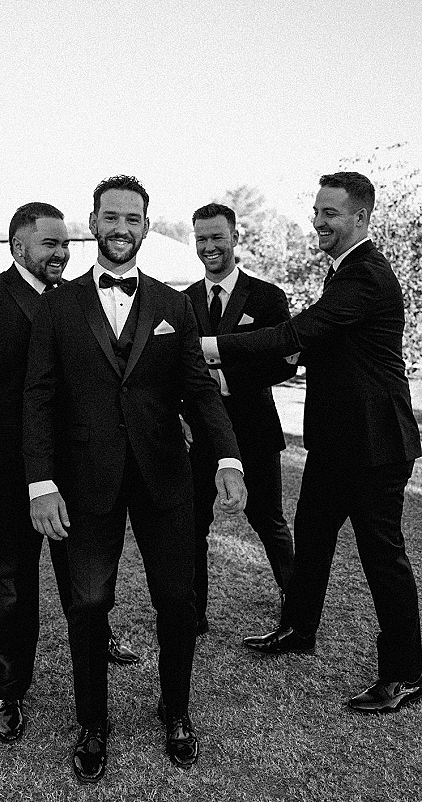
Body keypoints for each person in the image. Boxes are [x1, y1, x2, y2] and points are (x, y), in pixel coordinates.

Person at [23, 175, 247, 783]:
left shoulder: (174, 305)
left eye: (133, 219)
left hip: (165, 482)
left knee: (178, 600)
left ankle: (176, 710)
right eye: (110, 217)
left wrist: (228, 459)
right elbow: (38, 398)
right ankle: (92, 723)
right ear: (92, 224)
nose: (121, 228)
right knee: (89, 603)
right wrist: (41, 483)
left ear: (147, 227)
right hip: (84, 485)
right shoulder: (57, 306)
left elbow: (199, 393)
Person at [210, 172, 422, 714]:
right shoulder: (342, 273)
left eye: (330, 213)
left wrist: (206, 346)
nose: (318, 221)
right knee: (312, 535)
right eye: (317, 211)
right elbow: (320, 349)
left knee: (383, 556)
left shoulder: (365, 275)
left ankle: (406, 672)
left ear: (361, 218)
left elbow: (297, 334)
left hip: (376, 446)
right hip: (334, 443)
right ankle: (299, 629)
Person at [0, 202, 138, 744]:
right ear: (18, 245)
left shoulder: (81, 298)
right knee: (16, 581)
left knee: (87, 576)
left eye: (66, 244)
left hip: (81, 468)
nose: (62, 253)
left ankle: (96, 644)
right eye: (50, 244)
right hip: (9, 472)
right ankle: (9, 688)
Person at [185, 203, 295, 634]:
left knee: (268, 519)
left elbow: (286, 362)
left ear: (235, 237)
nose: (209, 247)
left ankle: (295, 606)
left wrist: (227, 367)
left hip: (254, 428)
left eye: (216, 237)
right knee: (193, 524)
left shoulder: (268, 297)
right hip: (199, 432)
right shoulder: (182, 301)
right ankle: (193, 614)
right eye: (201, 239)